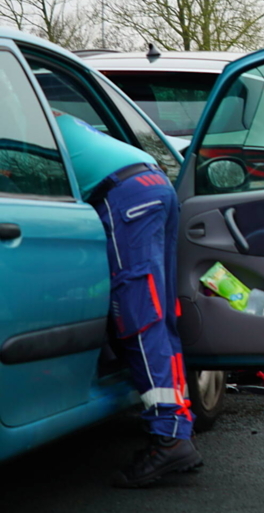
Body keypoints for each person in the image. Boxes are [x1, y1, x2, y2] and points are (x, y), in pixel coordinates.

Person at [52, 111, 201, 487]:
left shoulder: (21, 125)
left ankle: (168, 438)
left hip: (125, 197)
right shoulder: (48, 116)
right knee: (159, 315)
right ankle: (177, 425)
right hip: (151, 183)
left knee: (140, 316)